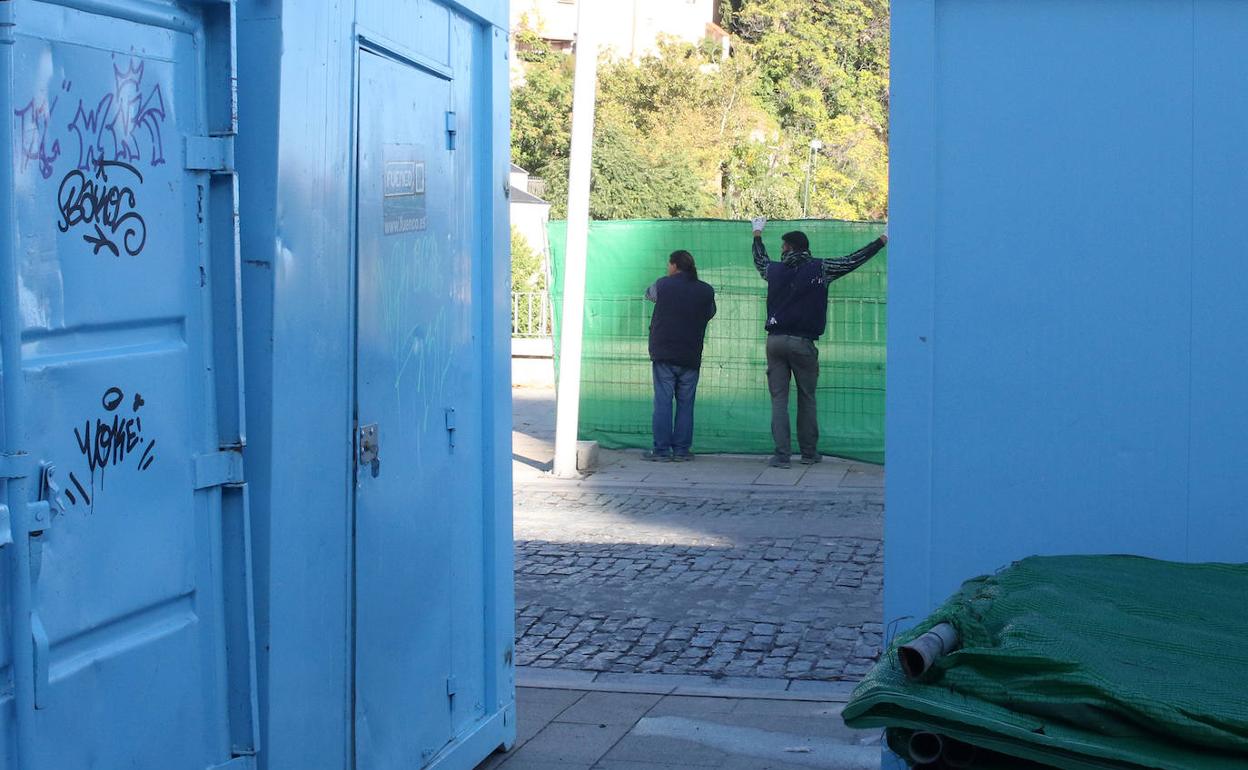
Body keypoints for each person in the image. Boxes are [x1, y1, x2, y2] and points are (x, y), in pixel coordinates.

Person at [750, 217, 887, 468]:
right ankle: (808, 453)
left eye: (783, 246)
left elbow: (760, 260)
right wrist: (881, 240)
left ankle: (781, 455)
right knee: (807, 396)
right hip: (803, 342)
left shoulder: (774, 271)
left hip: (775, 340)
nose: (781, 250)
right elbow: (852, 260)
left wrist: (757, 232)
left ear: (788, 248)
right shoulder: (821, 268)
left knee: (778, 399)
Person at [642, 250, 717, 461]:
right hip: (691, 354)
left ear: (674, 266)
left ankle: (661, 451)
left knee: (663, 402)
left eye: (669, 265)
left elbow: (649, 294)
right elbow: (710, 312)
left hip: (664, 352)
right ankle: (682, 451)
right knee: (686, 404)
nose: (668, 268)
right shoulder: (705, 290)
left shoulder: (664, 284)